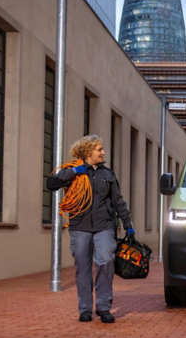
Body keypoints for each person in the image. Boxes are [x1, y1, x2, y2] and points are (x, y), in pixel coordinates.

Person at [46, 135, 135, 323]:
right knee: (83, 268)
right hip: (80, 226)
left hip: (105, 226)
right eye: (99, 150)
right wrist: (74, 172)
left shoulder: (108, 174)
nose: (103, 153)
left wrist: (128, 225)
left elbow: (118, 201)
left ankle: (103, 307)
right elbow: (51, 184)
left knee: (105, 262)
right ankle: (85, 308)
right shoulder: (73, 172)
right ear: (88, 152)